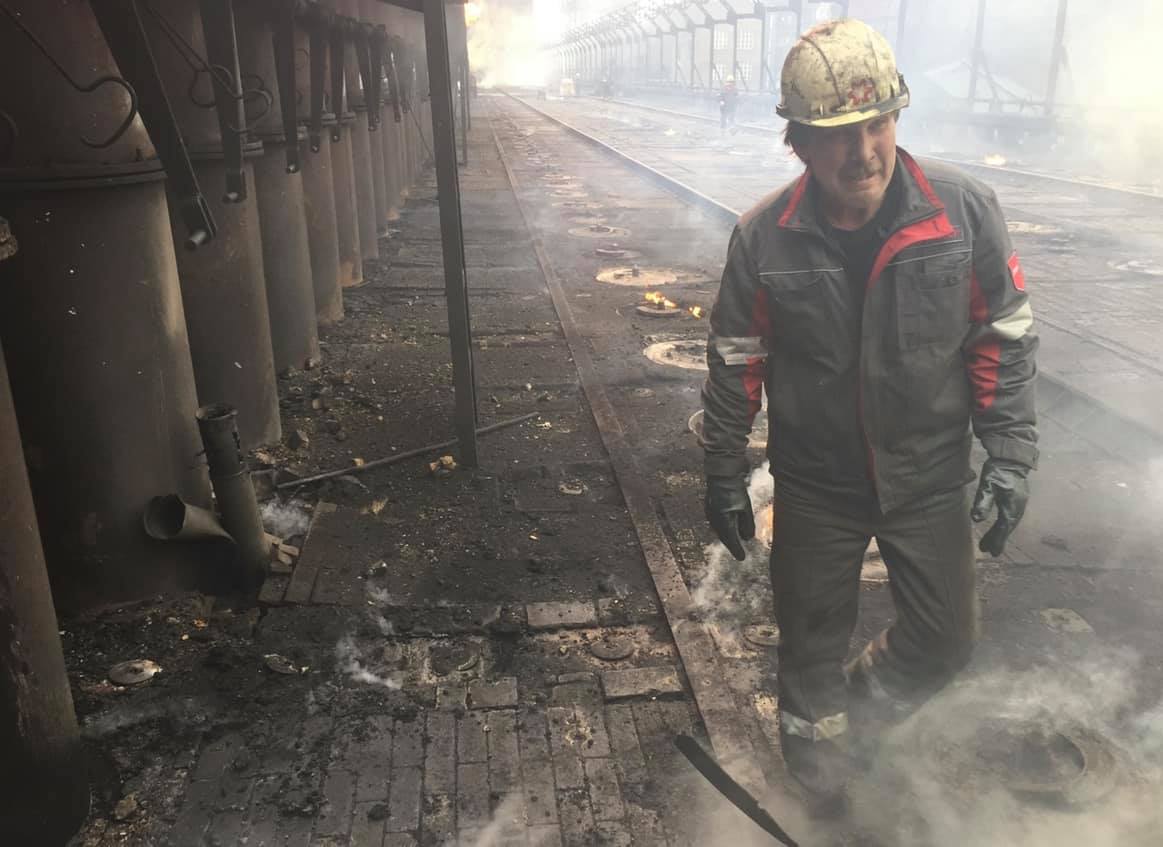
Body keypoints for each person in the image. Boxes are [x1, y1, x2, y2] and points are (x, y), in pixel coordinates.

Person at [701, 18, 1038, 807]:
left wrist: (1011, 452)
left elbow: (1002, 332)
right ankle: (819, 793)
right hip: (816, 483)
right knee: (809, 649)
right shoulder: (763, 238)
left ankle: (858, 714)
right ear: (798, 145)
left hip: (926, 474)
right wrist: (721, 470)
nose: (863, 152)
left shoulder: (963, 212)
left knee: (946, 637)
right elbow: (733, 361)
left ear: (897, 118)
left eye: (877, 124)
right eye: (838, 135)